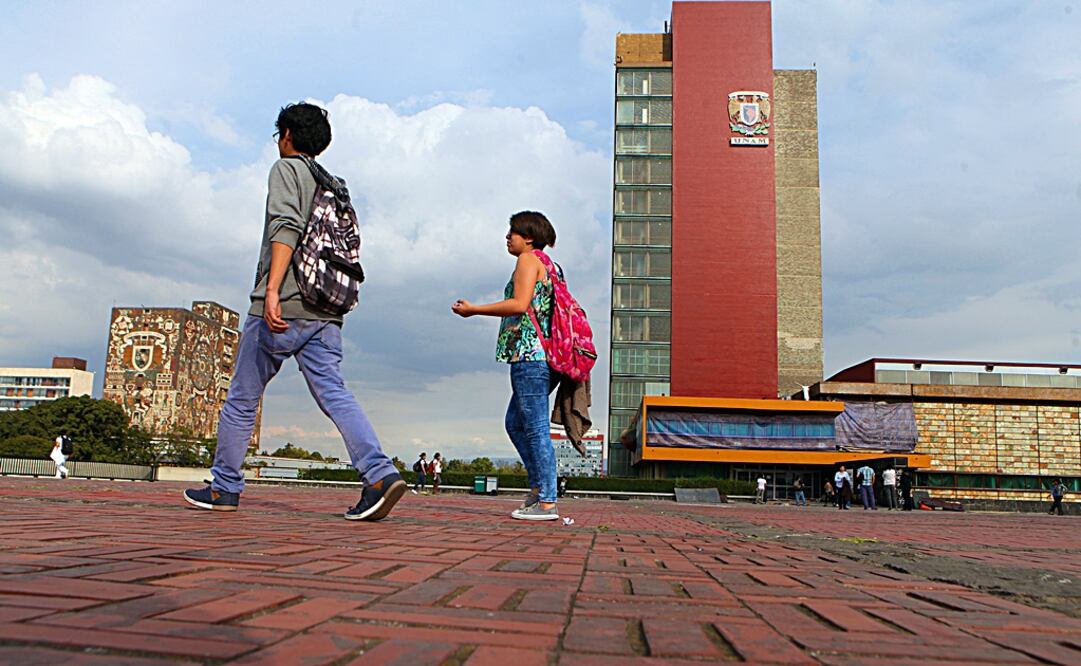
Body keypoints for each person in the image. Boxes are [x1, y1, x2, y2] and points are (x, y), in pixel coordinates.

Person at [183, 102, 405, 520]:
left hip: (284, 305)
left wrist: (271, 292)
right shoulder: (333, 184)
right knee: (335, 394)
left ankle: (224, 487)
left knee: (243, 399)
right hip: (326, 309)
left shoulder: (287, 170)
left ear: (286, 134)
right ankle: (379, 474)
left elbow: (284, 227)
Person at [452, 211, 561, 521]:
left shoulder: (527, 260)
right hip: (547, 357)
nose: (507, 237)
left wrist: (474, 310)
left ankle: (547, 500)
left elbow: (519, 304)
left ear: (528, 237)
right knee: (515, 423)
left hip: (530, 356)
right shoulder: (552, 266)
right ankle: (540, 489)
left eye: (512, 232)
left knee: (536, 428)